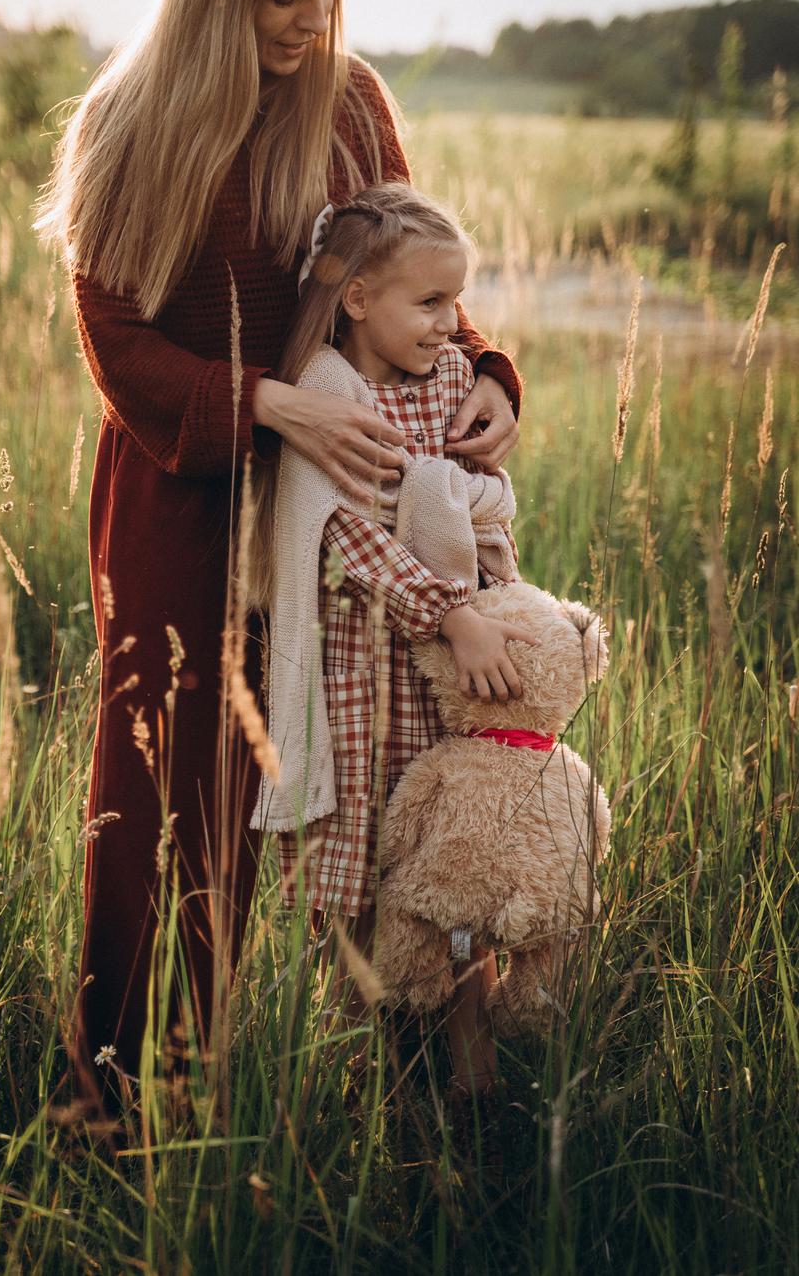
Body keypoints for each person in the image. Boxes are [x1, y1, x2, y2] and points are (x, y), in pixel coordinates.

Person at [34, 0, 523, 1107]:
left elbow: (409, 263)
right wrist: (262, 402)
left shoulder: (349, 103)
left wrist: (478, 369)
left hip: (341, 501)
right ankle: (128, 1095)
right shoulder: (127, 120)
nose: (312, 20)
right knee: (164, 797)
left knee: (378, 771)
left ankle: (420, 1080)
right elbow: (114, 341)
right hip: (183, 498)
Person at [248, 181, 535, 1101]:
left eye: (457, 302)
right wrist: (450, 608)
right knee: (361, 872)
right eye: (431, 302)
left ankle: (472, 1065)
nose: (453, 323)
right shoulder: (329, 391)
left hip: (448, 679)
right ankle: (358, 1064)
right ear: (359, 299)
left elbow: (478, 499)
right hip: (361, 679)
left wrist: (487, 583)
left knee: (453, 863)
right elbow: (346, 532)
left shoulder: (454, 377)